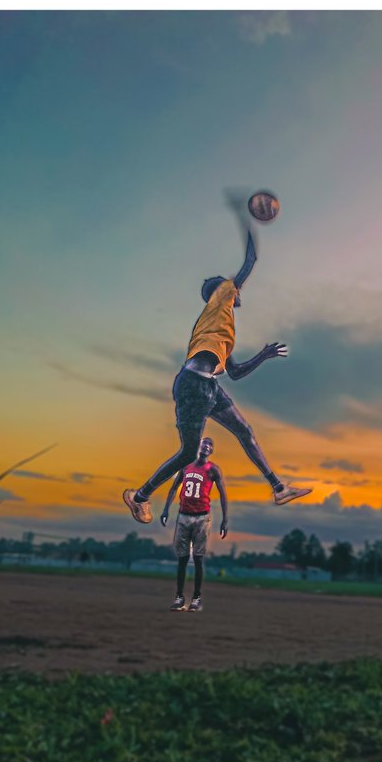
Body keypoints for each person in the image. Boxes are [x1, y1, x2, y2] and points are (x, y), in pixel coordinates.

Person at [122, 228, 311, 524]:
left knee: (245, 431)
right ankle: (140, 497)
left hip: (210, 386)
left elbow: (234, 373)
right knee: (187, 454)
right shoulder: (220, 299)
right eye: (234, 289)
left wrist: (263, 355)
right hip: (194, 384)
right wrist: (249, 223)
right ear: (224, 290)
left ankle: (279, 488)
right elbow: (250, 261)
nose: (239, 292)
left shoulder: (220, 331)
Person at [161, 436, 225, 612]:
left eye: (210, 444)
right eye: (204, 443)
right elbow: (174, 487)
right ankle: (179, 597)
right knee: (182, 558)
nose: (206, 446)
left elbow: (223, 494)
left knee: (197, 558)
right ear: (198, 447)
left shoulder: (213, 469)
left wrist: (225, 520)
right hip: (183, 515)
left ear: (211, 451)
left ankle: (196, 598)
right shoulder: (186, 466)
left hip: (202, 517)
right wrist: (166, 509)